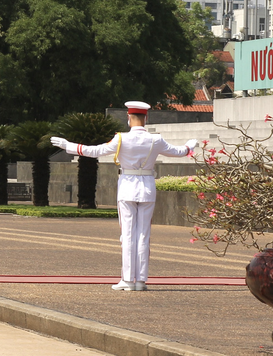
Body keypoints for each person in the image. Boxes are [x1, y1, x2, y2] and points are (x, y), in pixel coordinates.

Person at [51, 101, 197, 291]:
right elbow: (178, 152)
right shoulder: (155, 140)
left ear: (129, 118)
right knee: (144, 235)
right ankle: (140, 281)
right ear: (147, 118)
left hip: (127, 187)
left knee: (127, 235)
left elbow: (94, 151)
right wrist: (189, 146)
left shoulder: (120, 139)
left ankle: (128, 280)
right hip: (147, 187)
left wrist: (69, 146)